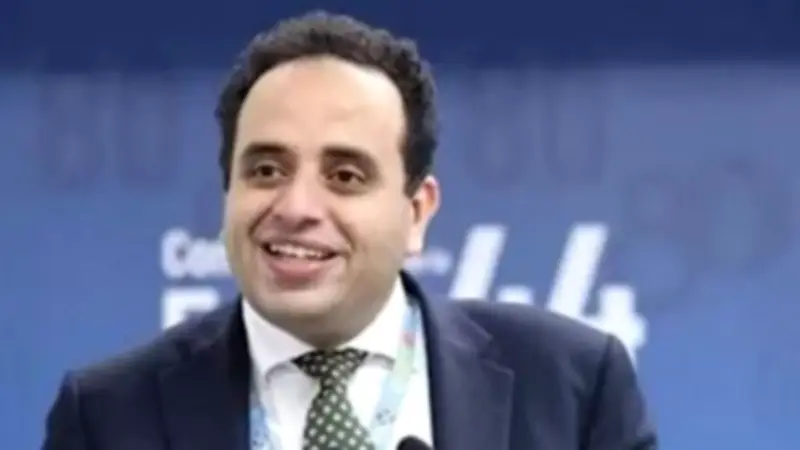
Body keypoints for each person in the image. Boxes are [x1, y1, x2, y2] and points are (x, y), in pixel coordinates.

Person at [42, 10, 658, 450]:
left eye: (344, 175)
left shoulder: (572, 387)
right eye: (266, 169)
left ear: (416, 212)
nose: (296, 206)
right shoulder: (107, 417)